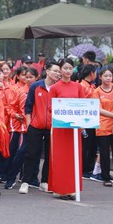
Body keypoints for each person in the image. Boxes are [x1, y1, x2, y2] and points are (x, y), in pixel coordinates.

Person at [19, 62, 61, 195]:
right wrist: (29, 124)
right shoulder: (36, 86)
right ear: (47, 71)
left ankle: (44, 181)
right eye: (54, 70)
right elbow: (28, 107)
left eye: (58, 71)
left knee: (50, 155)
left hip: (52, 127)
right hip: (36, 126)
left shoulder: (58, 88)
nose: (57, 73)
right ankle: (26, 181)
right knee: (31, 154)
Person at [48, 58, 86, 200]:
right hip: (60, 127)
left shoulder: (78, 87)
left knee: (74, 157)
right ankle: (61, 189)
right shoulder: (55, 88)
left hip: (74, 128)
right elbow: (51, 108)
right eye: (65, 68)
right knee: (61, 157)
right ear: (60, 70)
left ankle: (73, 188)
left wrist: (81, 123)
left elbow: (83, 105)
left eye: (70, 68)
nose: (68, 71)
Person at [93, 66, 113, 187]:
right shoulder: (97, 91)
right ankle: (105, 177)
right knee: (104, 152)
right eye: (105, 76)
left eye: (110, 76)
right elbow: (98, 109)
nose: (108, 78)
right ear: (100, 77)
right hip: (103, 124)